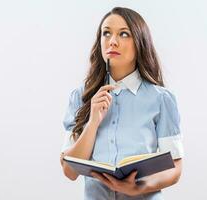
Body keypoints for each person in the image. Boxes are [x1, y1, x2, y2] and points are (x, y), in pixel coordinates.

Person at [60, 7, 184, 200]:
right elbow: (70, 171)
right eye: (106, 33)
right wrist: (93, 122)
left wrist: (139, 187)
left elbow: (175, 167)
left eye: (124, 34)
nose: (112, 41)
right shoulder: (80, 97)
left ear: (139, 42)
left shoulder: (161, 99)